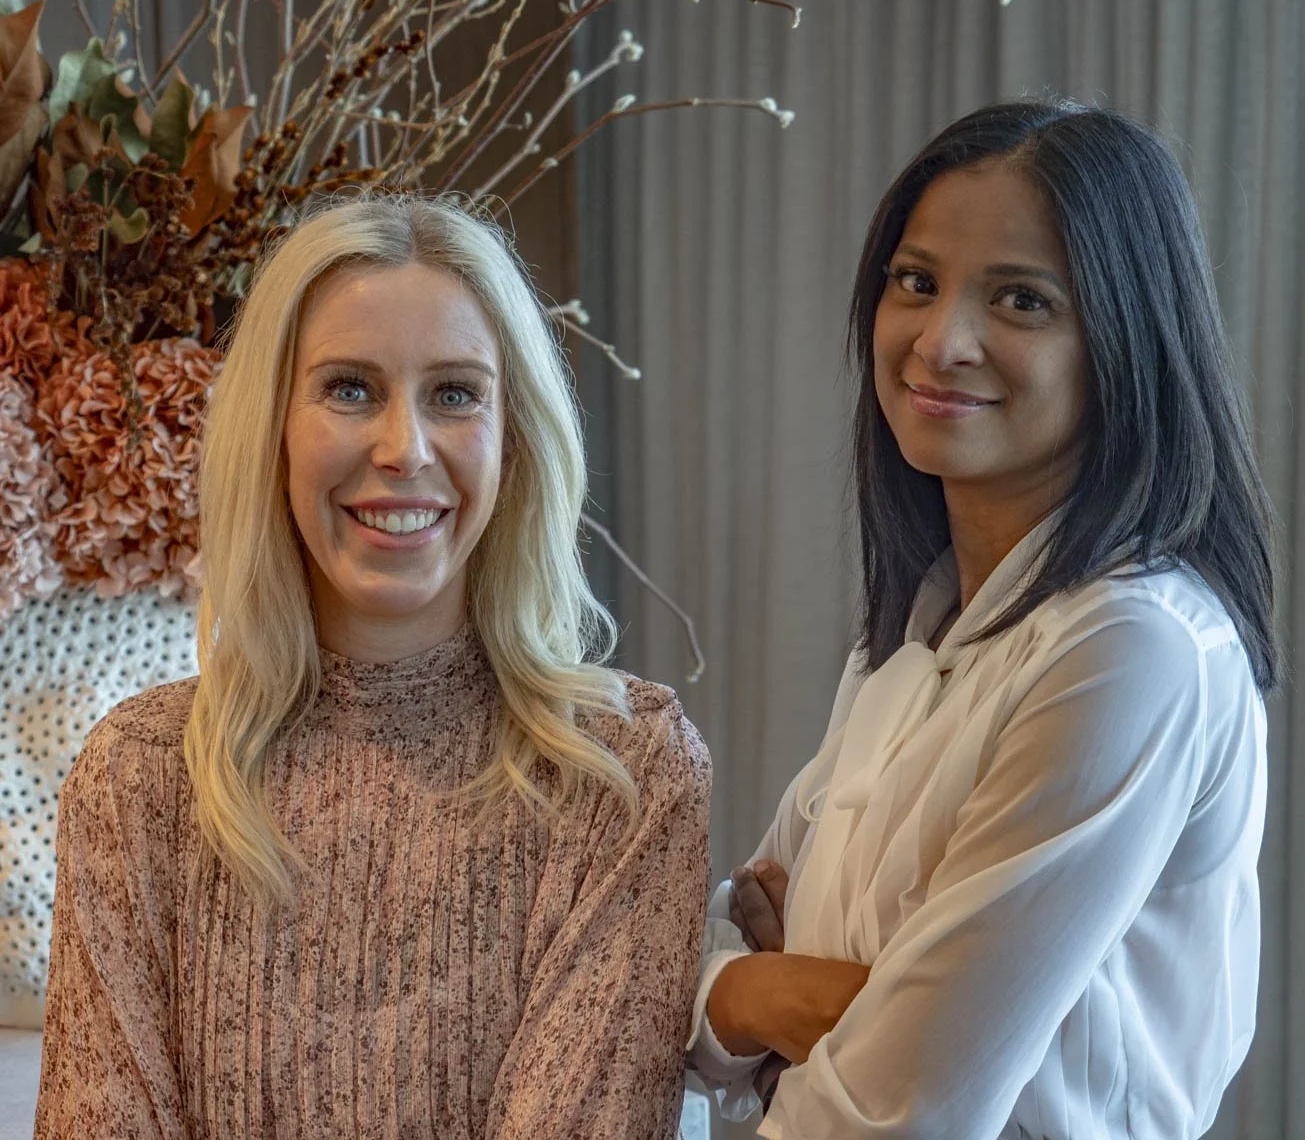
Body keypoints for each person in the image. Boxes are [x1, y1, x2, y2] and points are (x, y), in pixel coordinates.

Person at [35, 194, 712, 1139]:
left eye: (455, 393)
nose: (405, 449)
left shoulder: (623, 775)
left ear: (514, 440)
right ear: (271, 431)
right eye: (349, 388)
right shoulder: (140, 778)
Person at [688, 100, 1276, 1139]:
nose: (941, 340)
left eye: (1020, 299)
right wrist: (754, 995)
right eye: (916, 283)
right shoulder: (916, 635)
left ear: (1125, 339)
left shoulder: (1131, 650)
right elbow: (694, 973)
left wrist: (811, 1001)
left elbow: (899, 1109)